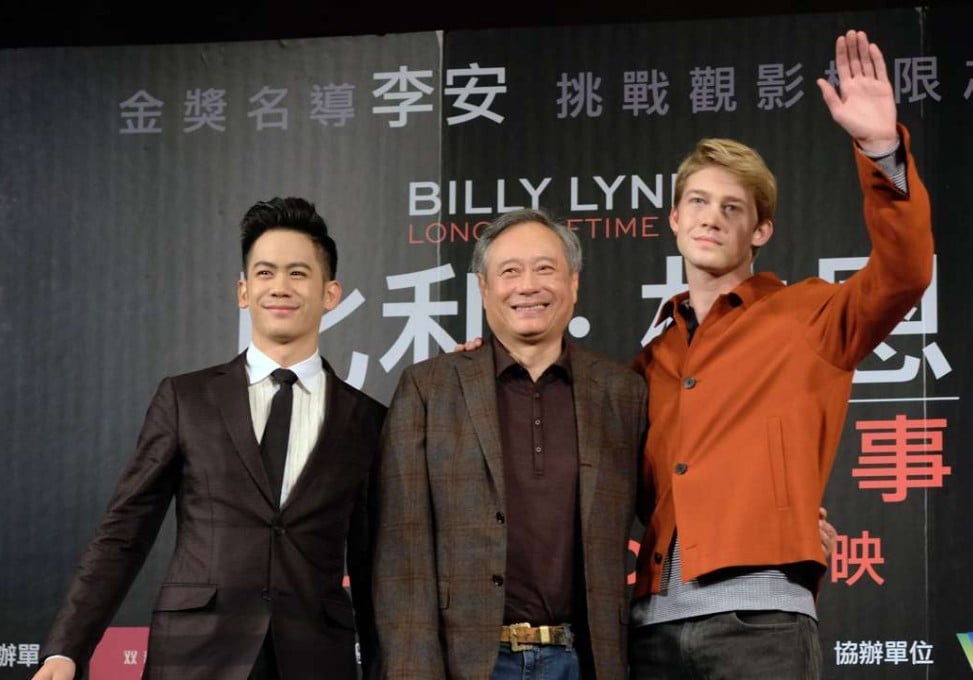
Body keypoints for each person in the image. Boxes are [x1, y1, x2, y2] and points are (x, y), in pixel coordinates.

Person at [628, 29, 934, 679]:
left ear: (760, 230)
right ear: (674, 219)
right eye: (698, 202)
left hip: (760, 623)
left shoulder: (810, 315)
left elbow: (905, 272)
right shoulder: (651, 357)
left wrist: (881, 149)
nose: (712, 217)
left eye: (732, 207)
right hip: (649, 629)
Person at [32, 197, 384, 680]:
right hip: (193, 655)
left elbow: (372, 564)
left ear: (330, 293)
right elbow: (124, 532)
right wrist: (66, 649)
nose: (280, 287)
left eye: (298, 273)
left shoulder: (367, 419)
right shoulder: (186, 399)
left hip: (316, 657)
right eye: (264, 273)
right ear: (243, 290)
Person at [371, 208, 648, 679]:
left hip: (584, 661)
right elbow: (404, 555)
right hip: (468, 664)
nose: (528, 286)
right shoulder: (429, 389)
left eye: (545, 268)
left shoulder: (623, 392)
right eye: (510, 271)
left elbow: (667, 509)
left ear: (573, 283)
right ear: (484, 289)